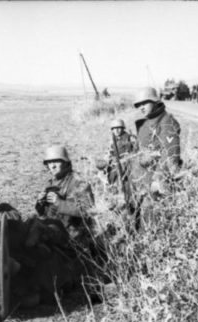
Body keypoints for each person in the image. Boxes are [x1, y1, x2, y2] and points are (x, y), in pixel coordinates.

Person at [13, 145, 97, 306]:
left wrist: (60, 203)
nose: (52, 166)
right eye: (49, 163)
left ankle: (43, 290)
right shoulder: (51, 183)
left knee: (36, 234)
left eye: (56, 162)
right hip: (55, 229)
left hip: (74, 235)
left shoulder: (79, 183)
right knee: (28, 227)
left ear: (66, 163)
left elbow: (87, 211)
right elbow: (43, 213)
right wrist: (40, 203)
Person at [128, 87, 182, 226]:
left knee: (153, 223)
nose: (141, 107)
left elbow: (171, 154)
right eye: (138, 105)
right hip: (140, 179)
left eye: (144, 103)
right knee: (137, 219)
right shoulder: (146, 122)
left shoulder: (166, 121)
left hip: (155, 182)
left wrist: (158, 179)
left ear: (155, 101)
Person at [96, 118, 137, 186]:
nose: (116, 131)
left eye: (119, 128)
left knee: (118, 169)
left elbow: (134, 150)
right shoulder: (113, 140)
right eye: (114, 129)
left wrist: (125, 157)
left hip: (127, 161)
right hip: (115, 161)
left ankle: (112, 182)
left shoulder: (129, 138)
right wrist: (107, 160)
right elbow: (109, 152)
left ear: (123, 128)